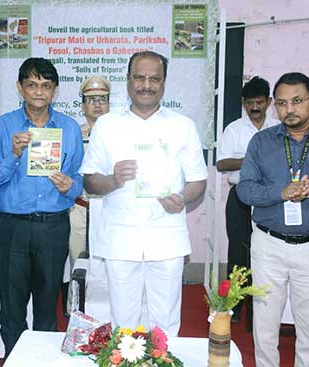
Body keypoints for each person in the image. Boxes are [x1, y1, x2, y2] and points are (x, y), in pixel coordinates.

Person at [80, 51, 208, 335]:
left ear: (163, 83)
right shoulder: (107, 125)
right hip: (120, 238)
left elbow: (199, 181)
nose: (146, 85)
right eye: (139, 77)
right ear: (127, 81)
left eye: (154, 78)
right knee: (123, 323)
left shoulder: (182, 126)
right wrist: (113, 180)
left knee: (165, 324)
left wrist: (182, 199)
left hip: (167, 238)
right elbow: (89, 182)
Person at [237, 72, 309, 367]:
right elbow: (245, 189)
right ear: (273, 106)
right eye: (282, 103)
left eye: (297, 101)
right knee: (264, 327)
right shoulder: (261, 142)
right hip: (268, 246)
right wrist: (282, 193)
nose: (289, 109)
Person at [0, 57, 84, 357]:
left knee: (47, 309)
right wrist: (14, 154)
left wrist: (71, 186)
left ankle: (43, 362)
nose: (39, 91)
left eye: (46, 86)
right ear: (20, 88)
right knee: (12, 310)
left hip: (54, 227)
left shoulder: (69, 129)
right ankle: (14, 360)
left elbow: (78, 179)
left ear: (55, 90)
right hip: (14, 227)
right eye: (32, 85)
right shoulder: (3, 126)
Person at [216, 76, 279, 322]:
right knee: (239, 253)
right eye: (250, 103)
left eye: (259, 102)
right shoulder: (234, 129)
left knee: (269, 251)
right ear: (244, 103)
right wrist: (250, 160)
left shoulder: (277, 127)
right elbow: (221, 163)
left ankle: (264, 306)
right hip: (241, 196)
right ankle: (236, 305)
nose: (254, 107)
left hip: (271, 198)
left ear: (269, 102)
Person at [68, 76, 111, 268]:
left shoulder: (120, 135)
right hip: (79, 208)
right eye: (91, 100)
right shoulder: (73, 135)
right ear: (83, 106)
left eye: (102, 99)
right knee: (77, 264)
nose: (97, 105)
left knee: (109, 267)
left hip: (110, 210)